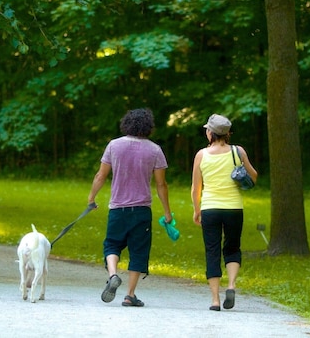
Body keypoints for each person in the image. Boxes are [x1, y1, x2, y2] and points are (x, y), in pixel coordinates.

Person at [88, 108, 174, 307]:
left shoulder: (114, 145)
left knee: (112, 244)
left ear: (126, 123)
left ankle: (112, 275)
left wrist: (91, 198)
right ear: (148, 126)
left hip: (117, 208)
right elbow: (161, 184)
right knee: (139, 251)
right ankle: (130, 295)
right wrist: (167, 212)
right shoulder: (155, 150)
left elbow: (100, 176)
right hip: (142, 210)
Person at [191, 113, 258, 311]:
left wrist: (197, 210)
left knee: (212, 251)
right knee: (232, 248)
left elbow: (196, 188)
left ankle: (215, 300)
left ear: (210, 133)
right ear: (227, 133)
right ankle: (231, 285)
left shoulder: (201, 155)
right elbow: (254, 176)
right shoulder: (238, 152)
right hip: (234, 208)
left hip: (210, 208)